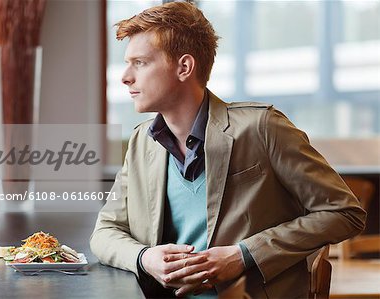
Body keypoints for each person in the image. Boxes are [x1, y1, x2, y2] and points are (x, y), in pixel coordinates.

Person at [90, 2, 366, 298]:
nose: (125, 76)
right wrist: (145, 258)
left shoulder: (263, 127)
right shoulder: (141, 141)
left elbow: (344, 213)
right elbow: (105, 232)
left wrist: (244, 255)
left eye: (140, 63)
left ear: (184, 66)